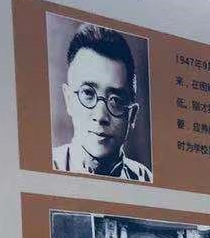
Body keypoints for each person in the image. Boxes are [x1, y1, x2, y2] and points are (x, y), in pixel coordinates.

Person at [52, 23, 152, 180]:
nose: (100, 116)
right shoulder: (48, 165)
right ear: (69, 100)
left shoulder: (145, 178)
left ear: (132, 115)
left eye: (115, 100)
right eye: (88, 93)